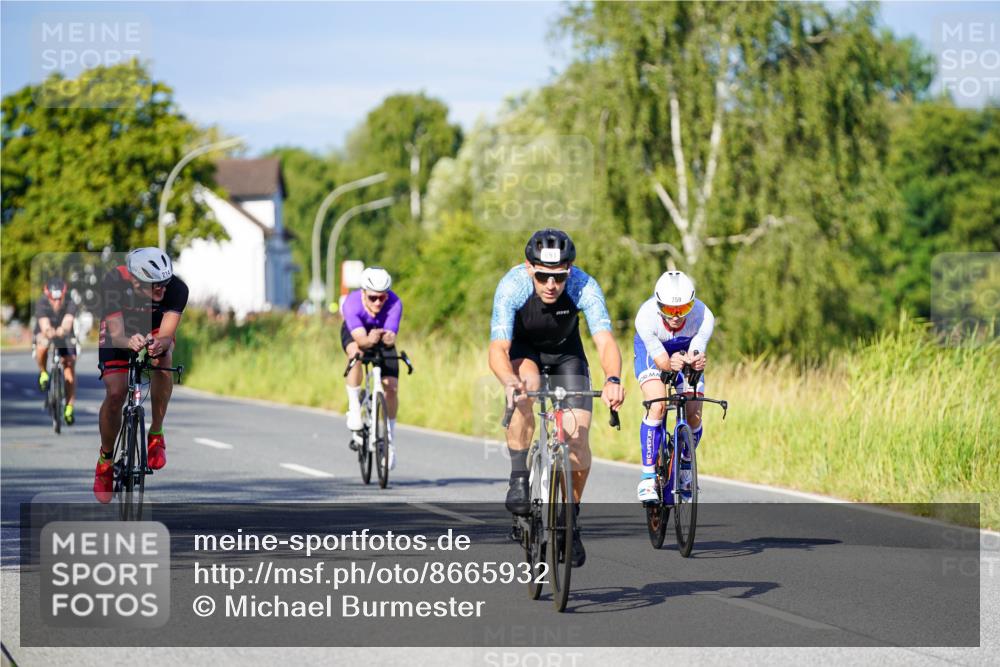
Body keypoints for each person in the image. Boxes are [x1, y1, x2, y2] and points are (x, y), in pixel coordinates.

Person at [489, 228, 624, 568]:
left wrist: (612, 379)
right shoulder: (512, 286)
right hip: (526, 352)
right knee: (525, 389)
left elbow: (605, 341)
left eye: (559, 277)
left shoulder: (583, 285)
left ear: (570, 270)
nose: (552, 285)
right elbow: (498, 347)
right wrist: (508, 380)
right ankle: (520, 477)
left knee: (578, 439)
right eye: (544, 276)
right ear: (529, 268)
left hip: (567, 356)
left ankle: (570, 520)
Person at [93, 248, 189, 503]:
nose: (163, 290)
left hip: (154, 325)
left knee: (163, 357)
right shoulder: (114, 282)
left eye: (165, 283)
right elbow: (117, 334)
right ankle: (105, 460)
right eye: (156, 286)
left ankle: (156, 434)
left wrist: (161, 343)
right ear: (135, 280)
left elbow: (167, 335)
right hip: (121, 330)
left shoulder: (177, 289)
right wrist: (128, 341)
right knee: (116, 393)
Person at [633, 271, 715, 502]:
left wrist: (696, 360)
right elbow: (662, 363)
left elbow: (697, 347)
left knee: (694, 412)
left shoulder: (704, 314)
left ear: (693, 303)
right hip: (653, 353)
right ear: (659, 304)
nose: (677, 316)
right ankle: (648, 476)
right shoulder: (645, 317)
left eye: (683, 309)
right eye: (669, 310)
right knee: (657, 405)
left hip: (684, 349)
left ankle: (685, 467)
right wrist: (672, 365)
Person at [341, 266, 403, 469]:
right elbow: (361, 340)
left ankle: (389, 439)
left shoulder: (395, 303)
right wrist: (369, 339)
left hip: (381, 337)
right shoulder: (351, 303)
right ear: (363, 294)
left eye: (382, 298)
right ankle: (355, 406)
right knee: (356, 354)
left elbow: (392, 335)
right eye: (373, 298)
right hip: (357, 335)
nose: (378, 302)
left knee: (391, 387)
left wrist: (387, 337)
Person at [34, 278, 78, 424]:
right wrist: (48, 331)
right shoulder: (41, 303)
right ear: (48, 296)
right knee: (42, 344)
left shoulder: (71, 302)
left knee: (69, 366)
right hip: (46, 330)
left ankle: (69, 407)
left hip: (64, 333)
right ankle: (43, 372)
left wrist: (62, 330)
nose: (57, 302)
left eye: (60, 298)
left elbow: (68, 322)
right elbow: (44, 324)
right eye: (54, 299)